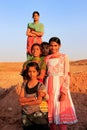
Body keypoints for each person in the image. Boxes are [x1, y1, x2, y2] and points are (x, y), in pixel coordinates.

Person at [45, 37, 78, 130]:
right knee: (51, 114)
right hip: (49, 86)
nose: (53, 48)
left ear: (59, 46)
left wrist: (64, 91)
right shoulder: (47, 58)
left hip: (60, 86)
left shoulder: (64, 57)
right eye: (51, 45)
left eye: (55, 45)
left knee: (61, 114)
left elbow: (67, 74)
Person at [19, 62, 50, 130]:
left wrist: (25, 102)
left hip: (37, 114)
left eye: (34, 71)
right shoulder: (24, 84)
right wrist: (33, 98)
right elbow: (20, 99)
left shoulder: (40, 86)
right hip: (26, 114)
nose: (31, 74)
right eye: (29, 71)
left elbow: (38, 101)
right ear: (27, 72)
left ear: (37, 72)